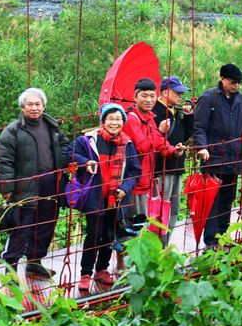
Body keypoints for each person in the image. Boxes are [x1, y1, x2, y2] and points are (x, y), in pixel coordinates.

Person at [0, 88, 71, 278]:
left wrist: (61, 161)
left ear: (44, 106)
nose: (34, 108)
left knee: (46, 224)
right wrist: (6, 188)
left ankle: (34, 264)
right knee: (21, 228)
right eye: (30, 104)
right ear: (22, 107)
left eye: (38, 104)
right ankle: (10, 270)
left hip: (51, 183)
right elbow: (5, 160)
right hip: (25, 187)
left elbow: (64, 145)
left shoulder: (52, 126)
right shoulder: (12, 131)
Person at [72, 103, 141, 293]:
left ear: (123, 122)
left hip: (116, 199)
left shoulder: (127, 144)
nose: (114, 122)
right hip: (94, 196)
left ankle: (101, 269)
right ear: (103, 121)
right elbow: (68, 154)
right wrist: (85, 162)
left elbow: (135, 171)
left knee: (110, 235)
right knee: (93, 235)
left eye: (118, 119)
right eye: (110, 118)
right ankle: (85, 273)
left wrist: (125, 188)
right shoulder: (88, 141)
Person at [194, 64, 242, 248]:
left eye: (239, 83)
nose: (236, 85)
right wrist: (202, 147)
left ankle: (223, 237)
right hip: (213, 158)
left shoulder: (241, 100)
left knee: (227, 199)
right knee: (211, 200)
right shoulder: (209, 97)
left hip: (233, 158)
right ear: (222, 79)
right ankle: (211, 241)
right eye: (233, 82)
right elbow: (199, 127)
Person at [123, 78, 184, 222]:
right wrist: (160, 130)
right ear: (135, 97)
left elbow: (158, 143)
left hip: (147, 179)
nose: (149, 100)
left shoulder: (150, 119)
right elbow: (142, 147)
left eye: (152, 96)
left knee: (145, 221)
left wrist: (172, 150)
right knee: (136, 224)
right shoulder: (131, 120)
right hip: (135, 180)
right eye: (144, 96)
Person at [152, 76, 194, 246]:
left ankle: (164, 246)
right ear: (164, 92)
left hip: (177, 167)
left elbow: (184, 136)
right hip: (161, 168)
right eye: (177, 92)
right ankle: (156, 247)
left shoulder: (174, 111)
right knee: (159, 209)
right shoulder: (155, 112)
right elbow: (153, 140)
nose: (180, 96)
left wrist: (189, 116)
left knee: (173, 209)